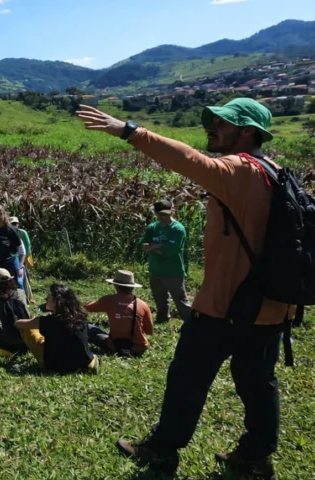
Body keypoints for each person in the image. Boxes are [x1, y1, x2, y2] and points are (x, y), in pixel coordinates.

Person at [78, 99, 293, 478]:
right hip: (271, 306)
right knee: (259, 383)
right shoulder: (275, 172)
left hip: (224, 308)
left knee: (187, 379)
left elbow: (189, 160)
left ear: (247, 131)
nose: (212, 127)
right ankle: (255, 458)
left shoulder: (239, 168)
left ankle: (162, 451)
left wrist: (130, 130)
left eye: (222, 123)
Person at [16, 283, 100, 374]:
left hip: (56, 366)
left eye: (49, 296)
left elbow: (18, 324)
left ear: (56, 301)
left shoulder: (48, 321)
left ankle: (18, 349)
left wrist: (34, 319)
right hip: (84, 362)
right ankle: (91, 363)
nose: (46, 298)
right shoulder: (81, 316)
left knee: (28, 328)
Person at [85, 270, 154, 358]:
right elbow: (149, 331)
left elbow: (87, 308)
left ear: (116, 286)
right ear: (132, 287)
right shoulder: (143, 305)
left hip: (114, 346)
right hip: (138, 348)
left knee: (89, 328)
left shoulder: (108, 300)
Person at [141, 199, 190, 323]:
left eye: (164, 214)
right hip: (155, 269)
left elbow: (171, 251)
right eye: (159, 214)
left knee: (181, 300)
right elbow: (144, 244)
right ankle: (162, 319)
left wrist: (154, 246)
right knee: (159, 298)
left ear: (171, 212)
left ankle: (190, 322)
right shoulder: (153, 227)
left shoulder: (178, 229)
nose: (162, 217)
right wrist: (160, 246)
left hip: (173, 271)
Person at [10, 216, 34, 301]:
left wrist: (24, 259)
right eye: (12, 223)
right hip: (16, 258)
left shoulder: (22, 232)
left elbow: (27, 246)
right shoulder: (9, 232)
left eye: (15, 223)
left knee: (24, 277)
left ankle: (27, 295)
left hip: (23, 257)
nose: (14, 225)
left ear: (18, 224)